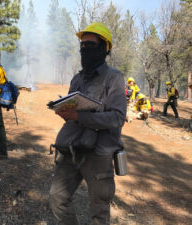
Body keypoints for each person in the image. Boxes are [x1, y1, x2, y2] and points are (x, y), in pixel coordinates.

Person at [50, 22, 127, 225]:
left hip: (99, 154)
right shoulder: (77, 79)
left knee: (99, 212)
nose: (84, 49)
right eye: (82, 46)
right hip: (72, 148)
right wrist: (65, 112)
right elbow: (71, 108)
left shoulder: (115, 78)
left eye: (90, 45)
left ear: (104, 48)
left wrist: (79, 116)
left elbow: (117, 117)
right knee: (57, 197)